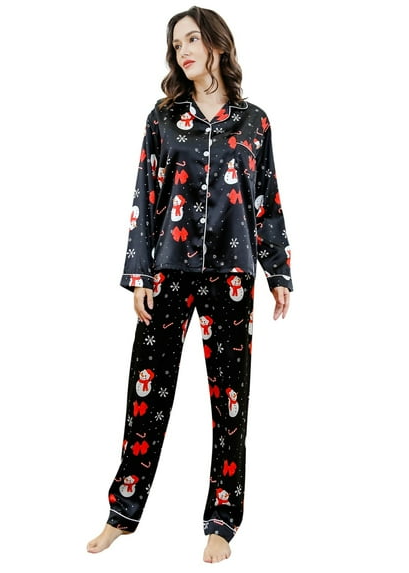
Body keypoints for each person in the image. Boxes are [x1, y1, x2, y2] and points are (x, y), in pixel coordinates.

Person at [87, 5, 293, 563]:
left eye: (193, 39)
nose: (183, 50)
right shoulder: (162, 119)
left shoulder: (254, 123)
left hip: (232, 275)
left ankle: (222, 520)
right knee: (145, 394)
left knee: (231, 402)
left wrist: (278, 270)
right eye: (176, 43)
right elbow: (145, 195)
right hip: (169, 270)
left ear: (218, 46)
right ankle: (122, 513)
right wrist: (139, 274)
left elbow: (267, 199)